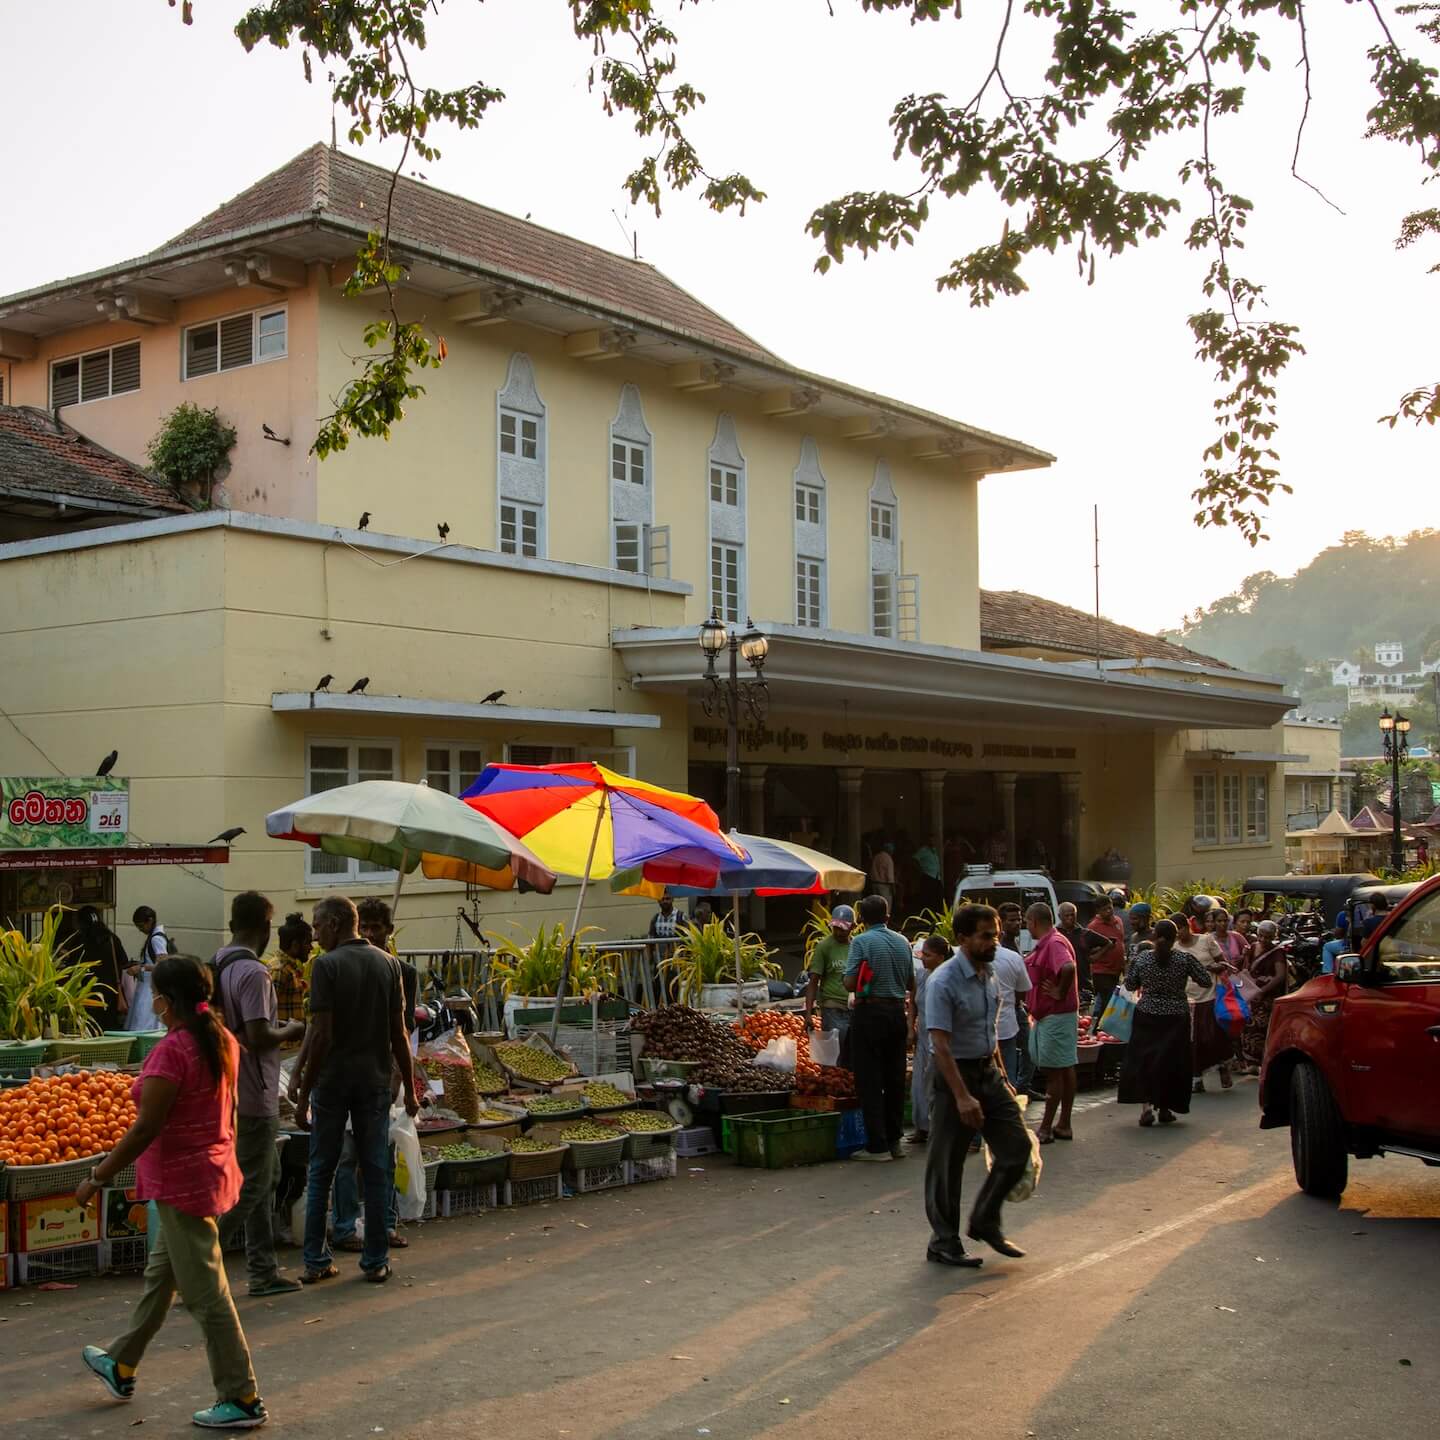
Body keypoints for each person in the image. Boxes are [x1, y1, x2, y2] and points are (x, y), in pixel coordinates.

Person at [76, 955, 267, 1430]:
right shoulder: (220, 1038)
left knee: (207, 1295)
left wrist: (97, 1177)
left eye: (155, 993)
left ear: (166, 1001)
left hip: (184, 1184)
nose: (152, 1000)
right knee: (162, 1277)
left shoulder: (173, 1051)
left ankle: (241, 1395)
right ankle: (122, 1363)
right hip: (207, 1173)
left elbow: (144, 1130)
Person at [294, 896, 419, 1285]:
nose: (314, 936)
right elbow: (400, 1033)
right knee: (376, 1170)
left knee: (322, 1170)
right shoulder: (389, 965)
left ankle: (316, 1260)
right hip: (375, 1082)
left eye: (317, 927)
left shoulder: (326, 967)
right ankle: (376, 1260)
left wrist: (304, 1090)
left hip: (333, 1083)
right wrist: (410, 1089)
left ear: (334, 923)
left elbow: (322, 1033)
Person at [923, 902, 1031, 1266]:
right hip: (954, 1074)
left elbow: (990, 1032)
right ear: (962, 938)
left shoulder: (990, 973)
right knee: (947, 1162)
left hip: (988, 1072)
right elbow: (940, 1045)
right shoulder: (943, 981)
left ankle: (985, 1219)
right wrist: (962, 1097)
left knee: (1017, 1149)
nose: (994, 942)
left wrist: (1002, 1077)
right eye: (986, 936)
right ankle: (944, 1242)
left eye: (996, 935)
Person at [213, 891, 306, 1298]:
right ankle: (194, 1264)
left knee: (263, 1179)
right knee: (253, 1183)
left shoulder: (219, 961)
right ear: (266, 927)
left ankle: (263, 1270)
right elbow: (258, 1034)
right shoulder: (254, 973)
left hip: (229, 1087)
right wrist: (292, 1029)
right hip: (254, 1089)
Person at [1118, 920, 1218, 1125]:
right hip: (1176, 1017)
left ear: (1154, 936)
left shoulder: (1143, 958)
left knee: (1144, 1061)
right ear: (1175, 938)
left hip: (1147, 1015)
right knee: (1172, 1062)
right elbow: (1206, 981)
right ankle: (1165, 1109)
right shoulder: (1184, 959)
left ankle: (1146, 1107)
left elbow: (1129, 984)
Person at [844, 893, 916, 1161]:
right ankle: (895, 1140)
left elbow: (851, 983)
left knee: (870, 1079)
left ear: (861, 919)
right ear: (887, 917)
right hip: (897, 1012)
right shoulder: (902, 942)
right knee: (894, 1078)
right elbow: (911, 982)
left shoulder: (861, 942)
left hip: (870, 1013)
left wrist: (856, 979)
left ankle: (877, 1145)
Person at [1024, 903, 1078, 1144]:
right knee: (1063, 1068)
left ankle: (1047, 1126)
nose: (1027, 927)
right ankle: (1063, 1123)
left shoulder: (1054, 943)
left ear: (1033, 921)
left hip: (1057, 1014)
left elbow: (1068, 966)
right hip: (1050, 1016)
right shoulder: (1047, 944)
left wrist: (1059, 991)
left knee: (1056, 1070)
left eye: (1027, 922)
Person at [1177, 917, 1231, 1093]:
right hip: (1188, 998)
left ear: (1187, 927)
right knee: (1193, 1041)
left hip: (1211, 995)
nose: (1178, 933)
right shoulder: (1174, 948)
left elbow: (1223, 963)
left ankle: (1223, 1065)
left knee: (1213, 1036)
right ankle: (1197, 1078)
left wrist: (1214, 968)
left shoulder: (1205, 940)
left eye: (1180, 928)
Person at [908, 933, 952, 1144]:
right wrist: (911, 1028)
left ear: (941, 957)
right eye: (922, 954)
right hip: (923, 1035)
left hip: (942, 1039)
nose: (923, 958)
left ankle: (939, 1128)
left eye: (928, 954)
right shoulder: (921, 976)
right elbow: (913, 1004)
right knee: (919, 1083)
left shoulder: (948, 979)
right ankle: (921, 1128)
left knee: (936, 1085)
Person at [1237, 919, 1288, 1072]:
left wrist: (1263, 990)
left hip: (1266, 997)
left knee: (1261, 1028)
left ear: (1274, 936)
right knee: (1246, 1026)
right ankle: (1250, 1062)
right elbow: (1246, 969)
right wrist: (1245, 956)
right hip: (1251, 994)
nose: (1263, 940)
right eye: (1261, 936)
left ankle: (1261, 1062)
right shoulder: (1252, 947)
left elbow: (1280, 976)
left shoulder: (1277, 953)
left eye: (1267, 937)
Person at [805, 904, 855, 1058]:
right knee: (834, 1057)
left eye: (843, 928)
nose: (838, 932)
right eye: (836, 928)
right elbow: (813, 981)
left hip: (854, 1008)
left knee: (851, 1055)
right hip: (832, 1008)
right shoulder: (824, 947)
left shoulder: (857, 945)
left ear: (853, 926)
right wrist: (808, 1014)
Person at [992, 924, 1032, 1091]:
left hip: (1004, 1021)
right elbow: (1023, 991)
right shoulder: (1012, 957)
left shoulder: (1011, 957)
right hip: (1008, 1019)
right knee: (1009, 1064)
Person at [77, 906, 129, 1030]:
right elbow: (124, 961)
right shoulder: (112, 939)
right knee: (110, 1025)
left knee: (91, 1026)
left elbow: (73, 964)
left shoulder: (81, 941)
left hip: (88, 991)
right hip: (111, 991)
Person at [125, 906, 168, 1032]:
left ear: (149, 921)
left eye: (141, 926)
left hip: (149, 990)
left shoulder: (156, 939)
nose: (140, 930)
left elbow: (162, 965)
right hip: (148, 988)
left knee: (143, 1024)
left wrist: (140, 968)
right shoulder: (154, 937)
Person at [1085, 895, 1127, 1023]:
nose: (1109, 911)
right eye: (1105, 909)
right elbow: (1089, 951)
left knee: (1113, 1001)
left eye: (1110, 908)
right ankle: (1101, 1030)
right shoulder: (1093, 926)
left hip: (1116, 970)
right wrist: (1106, 947)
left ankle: (1103, 1029)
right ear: (1098, 911)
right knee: (1109, 1002)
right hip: (1101, 971)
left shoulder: (1118, 921)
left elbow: (1121, 942)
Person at [1056, 901, 1105, 1002]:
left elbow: (1108, 943)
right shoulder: (1055, 934)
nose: (1070, 918)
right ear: (1060, 916)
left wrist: (1095, 957)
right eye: (1067, 915)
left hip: (1083, 984)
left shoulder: (1084, 933)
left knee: (1084, 1016)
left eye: (1072, 915)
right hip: (1062, 984)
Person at [271, 912, 311, 1025]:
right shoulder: (280, 970)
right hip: (284, 1041)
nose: (311, 948)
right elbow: (266, 1012)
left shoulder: (289, 968)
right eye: (307, 943)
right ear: (295, 945)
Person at [912, 839, 945, 911]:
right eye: (930, 840)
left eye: (933, 840)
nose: (932, 842)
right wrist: (920, 870)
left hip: (936, 876)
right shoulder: (923, 850)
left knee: (939, 895)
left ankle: (937, 913)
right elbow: (914, 859)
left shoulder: (935, 850)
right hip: (928, 875)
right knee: (928, 896)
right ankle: (928, 914)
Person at [868, 842, 897, 911]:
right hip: (884, 886)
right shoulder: (888, 859)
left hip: (875, 883)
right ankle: (884, 920)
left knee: (877, 904)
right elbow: (890, 876)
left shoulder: (876, 856)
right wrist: (893, 888)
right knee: (886, 905)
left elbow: (871, 870)